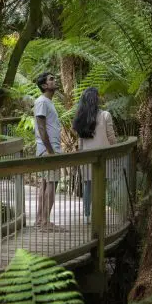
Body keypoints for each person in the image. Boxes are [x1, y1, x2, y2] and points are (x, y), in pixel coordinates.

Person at [72, 87, 116, 224]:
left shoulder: (80, 118)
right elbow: (111, 137)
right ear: (95, 99)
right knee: (102, 186)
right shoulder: (105, 115)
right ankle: (99, 215)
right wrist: (116, 148)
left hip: (87, 156)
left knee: (88, 187)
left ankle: (87, 216)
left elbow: (80, 142)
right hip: (103, 156)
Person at [33, 71, 62, 230]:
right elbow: (41, 128)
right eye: (51, 79)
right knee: (51, 183)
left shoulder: (47, 102)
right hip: (48, 150)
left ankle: (40, 220)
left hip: (48, 149)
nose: (54, 80)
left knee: (45, 184)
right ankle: (45, 222)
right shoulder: (42, 102)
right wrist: (51, 151)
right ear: (44, 85)